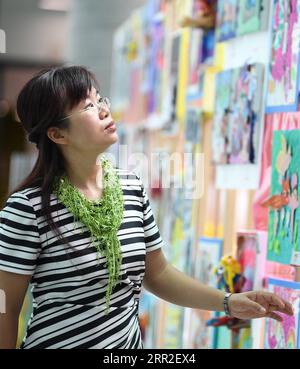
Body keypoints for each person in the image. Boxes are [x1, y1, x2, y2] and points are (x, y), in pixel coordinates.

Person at [0, 66, 294, 349]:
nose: (104, 109)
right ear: (57, 134)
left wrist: (228, 302)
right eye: (87, 106)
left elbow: (157, 274)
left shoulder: (130, 189)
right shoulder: (28, 208)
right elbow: (6, 307)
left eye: (100, 98)